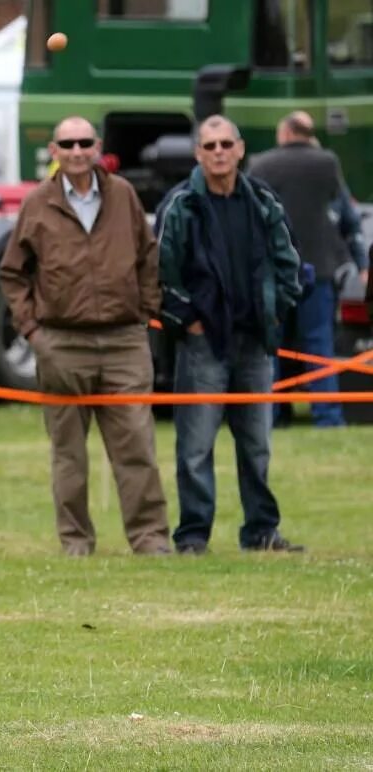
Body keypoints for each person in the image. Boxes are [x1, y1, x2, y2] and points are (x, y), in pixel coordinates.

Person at [0, 116, 170, 557]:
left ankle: (150, 538)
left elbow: (149, 257)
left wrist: (146, 314)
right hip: (60, 343)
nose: (77, 151)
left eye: (85, 143)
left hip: (124, 342)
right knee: (69, 454)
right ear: (54, 151)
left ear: (98, 148)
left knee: (137, 446)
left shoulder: (124, 194)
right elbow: (13, 273)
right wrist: (33, 330)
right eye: (68, 144)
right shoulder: (37, 203)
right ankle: (76, 542)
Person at [156, 114, 305, 554]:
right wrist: (191, 322)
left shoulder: (262, 199)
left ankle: (261, 531)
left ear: (240, 150)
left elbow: (289, 261)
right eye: (210, 146)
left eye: (226, 144)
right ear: (198, 154)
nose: (219, 152)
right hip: (203, 342)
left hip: (256, 342)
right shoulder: (181, 204)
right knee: (196, 446)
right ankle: (194, 537)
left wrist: (275, 312)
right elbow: (161, 273)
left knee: (257, 443)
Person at [249, 111, 365, 427]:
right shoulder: (326, 163)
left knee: (273, 347)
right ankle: (327, 414)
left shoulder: (261, 165)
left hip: (274, 271)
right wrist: (361, 262)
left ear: (284, 133)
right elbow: (346, 215)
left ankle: (270, 413)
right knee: (319, 344)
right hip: (319, 268)